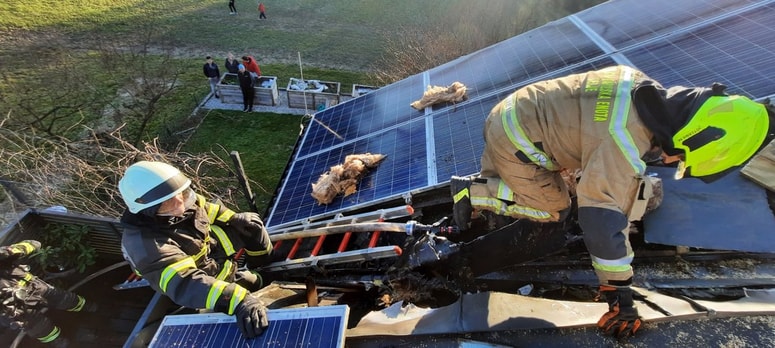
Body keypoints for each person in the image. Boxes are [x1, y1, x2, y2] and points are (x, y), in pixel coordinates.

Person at [449, 65, 771, 338]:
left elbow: (592, 130)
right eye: (682, 158)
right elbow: (600, 220)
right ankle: (472, 192)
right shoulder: (625, 140)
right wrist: (619, 293)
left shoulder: (643, 88)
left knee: (582, 186)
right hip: (516, 140)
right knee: (557, 208)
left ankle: (493, 190)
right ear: (694, 136)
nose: (672, 162)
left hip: (518, 115)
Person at [118, 161, 274, 339]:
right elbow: (186, 282)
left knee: (251, 226)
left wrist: (234, 218)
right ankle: (251, 282)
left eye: (182, 194)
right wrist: (237, 301)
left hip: (212, 254)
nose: (181, 205)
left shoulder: (179, 199)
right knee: (245, 287)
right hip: (201, 279)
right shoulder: (146, 246)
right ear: (147, 210)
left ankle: (265, 266)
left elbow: (208, 208)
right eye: (169, 202)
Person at [0, 240, 98, 347]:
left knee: (66, 300)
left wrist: (12, 251)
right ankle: (58, 340)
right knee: (40, 328)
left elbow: (34, 243)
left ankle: (89, 307)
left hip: (35, 289)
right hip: (12, 310)